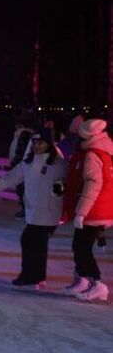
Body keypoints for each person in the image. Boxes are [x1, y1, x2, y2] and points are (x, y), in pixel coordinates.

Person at [0, 129, 67, 289]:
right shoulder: (28, 163)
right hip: (33, 210)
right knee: (33, 243)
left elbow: (67, 179)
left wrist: (61, 187)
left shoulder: (57, 163)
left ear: (48, 144)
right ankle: (34, 276)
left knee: (31, 241)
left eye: (41, 143)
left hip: (48, 211)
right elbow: (12, 177)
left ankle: (32, 276)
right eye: (35, 143)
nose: (37, 146)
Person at [59, 118, 113, 302]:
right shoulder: (101, 152)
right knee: (80, 246)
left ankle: (97, 284)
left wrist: (81, 213)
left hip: (94, 210)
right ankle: (82, 279)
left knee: (82, 248)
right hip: (97, 207)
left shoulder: (92, 155)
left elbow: (93, 185)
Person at [8, 116, 35, 220]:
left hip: (22, 165)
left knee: (23, 188)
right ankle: (25, 208)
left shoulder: (24, 135)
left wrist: (15, 163)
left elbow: (21, 151)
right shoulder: (19, 134)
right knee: (22, 188)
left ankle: (26, 209)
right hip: (21, 165)